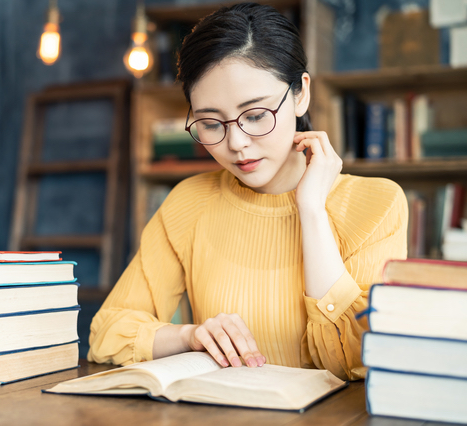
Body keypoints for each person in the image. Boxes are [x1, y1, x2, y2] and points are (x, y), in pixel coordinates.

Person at [87, 2, 407, 381]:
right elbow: (106, 334)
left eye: (255, 116)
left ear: (300, 94)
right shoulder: (190, 203)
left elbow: (355, 359)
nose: (236, 143)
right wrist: (189, 336)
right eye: (210, 123)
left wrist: (311, 211)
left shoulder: (377, 205)